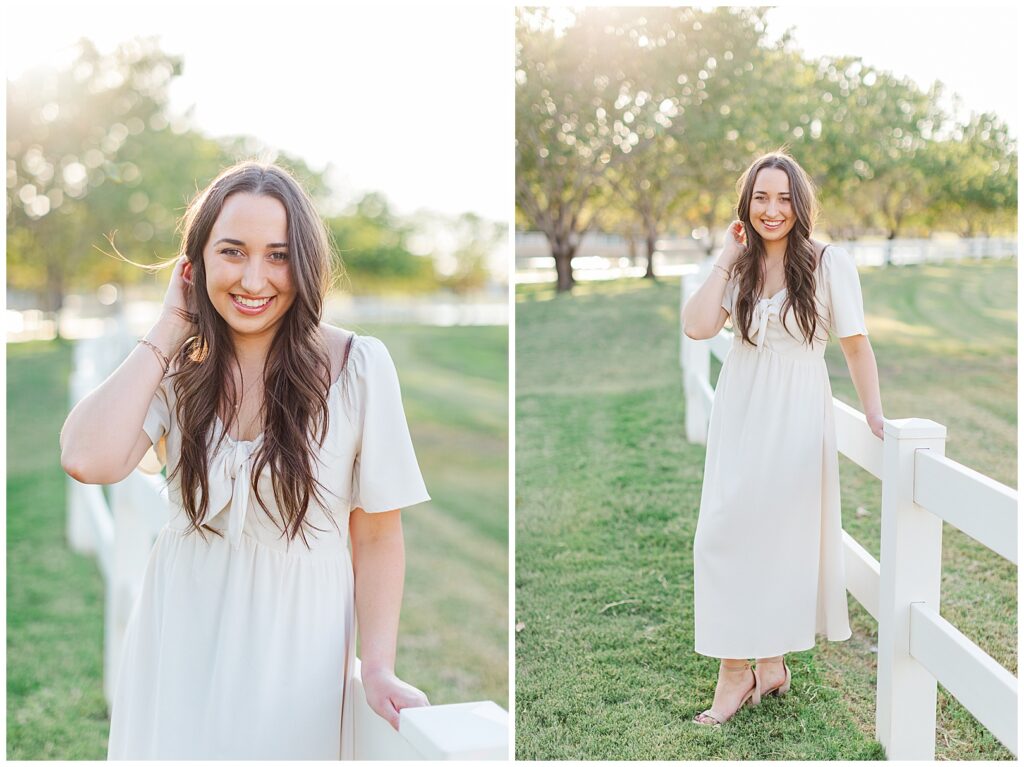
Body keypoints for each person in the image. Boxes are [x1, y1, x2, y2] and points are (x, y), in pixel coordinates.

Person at [59, 161, 432, 758]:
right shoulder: (177, 371)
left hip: (296, 655)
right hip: (177, 638)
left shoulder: (359, 366)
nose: (254, 279)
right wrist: (168, 326)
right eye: (231, 251)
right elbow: (85, 458)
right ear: (196, 262)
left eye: (278, 256)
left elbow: (379, 533)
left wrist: (380, 666)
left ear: (304, 263)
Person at [681, 150, 883, 727]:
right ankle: (747, 669)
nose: (773, 210)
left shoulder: (826, 263)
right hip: (740, 413)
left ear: (801, 203)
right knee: (720, 535)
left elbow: (855, 344)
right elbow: (697, 326)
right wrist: (727, 253)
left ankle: (755, 669)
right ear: (747, 204)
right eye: (761, 198)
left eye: (785, 198)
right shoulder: (740, 267)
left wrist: (875, 416)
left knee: (771, 541)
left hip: (795, 414)